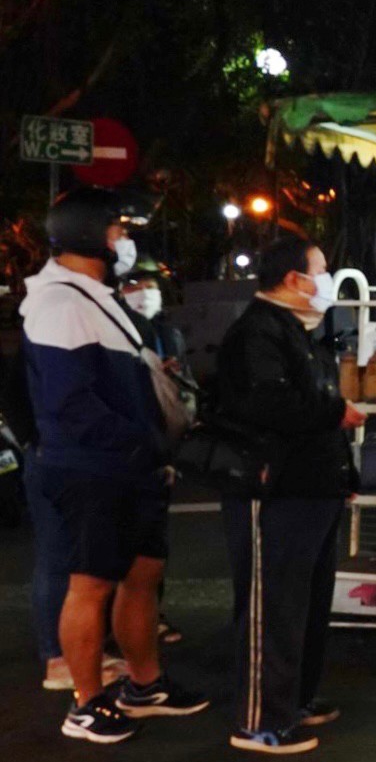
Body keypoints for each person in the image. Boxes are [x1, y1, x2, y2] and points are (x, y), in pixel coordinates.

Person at [21, 186, 208, 744]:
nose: (124, 240)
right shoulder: (57, 302)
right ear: (88, 234)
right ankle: (85, 703)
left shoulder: (93, 295)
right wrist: (140, 443)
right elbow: (70, 403)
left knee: (142, 575)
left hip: (130, 465)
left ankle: (144, 685)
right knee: (91, 584)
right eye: (117, 230)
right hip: (92, 468)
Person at [213, 235, 366, 755]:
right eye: (321, 269)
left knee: (303, 604)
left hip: (310, 489)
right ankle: (260, 720)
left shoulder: (299, 331)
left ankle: (293, 701)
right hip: (272, 491)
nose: (327, 279)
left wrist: (341, 477)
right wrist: (335, 413)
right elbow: (272, 406)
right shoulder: (256, 333)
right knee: (270, 606)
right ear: (294, 279)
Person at [119, 255, 190, 645]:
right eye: (134, 286)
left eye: (151, 286)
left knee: (154, 546)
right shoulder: (116, 331)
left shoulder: (169, 333)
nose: (145, 294)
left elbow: (185, 388)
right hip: (128, 451)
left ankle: (151, 616)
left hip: (164, 448)